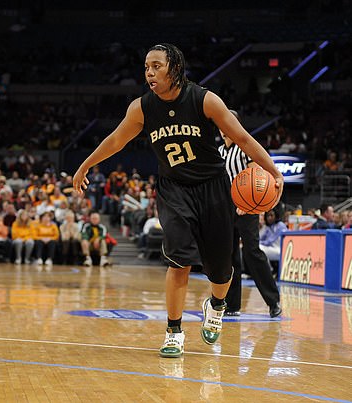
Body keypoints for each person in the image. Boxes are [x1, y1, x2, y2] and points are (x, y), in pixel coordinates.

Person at [72, 43, 283, 358]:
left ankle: (217, 306)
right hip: (174, 189)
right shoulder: (142, 108)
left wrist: (273, 171)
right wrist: (86, 164)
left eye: (156, 66)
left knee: (222, 270)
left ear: (175, 68)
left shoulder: (204, 99)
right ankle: (173, 331)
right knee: (179, 259)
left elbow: (242, 138)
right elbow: (116, 140)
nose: (150, 72)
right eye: (146, 67)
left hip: (213, 187)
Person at [218, 111, 282, 318]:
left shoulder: (244, 149)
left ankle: (273, 302)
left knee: (252, 253)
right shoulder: (219, 151)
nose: (223, 127)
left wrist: (251, 206)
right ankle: (232, 305)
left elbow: (256, 178)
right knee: (230, 257)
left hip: (247, 208)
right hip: (226, 210)